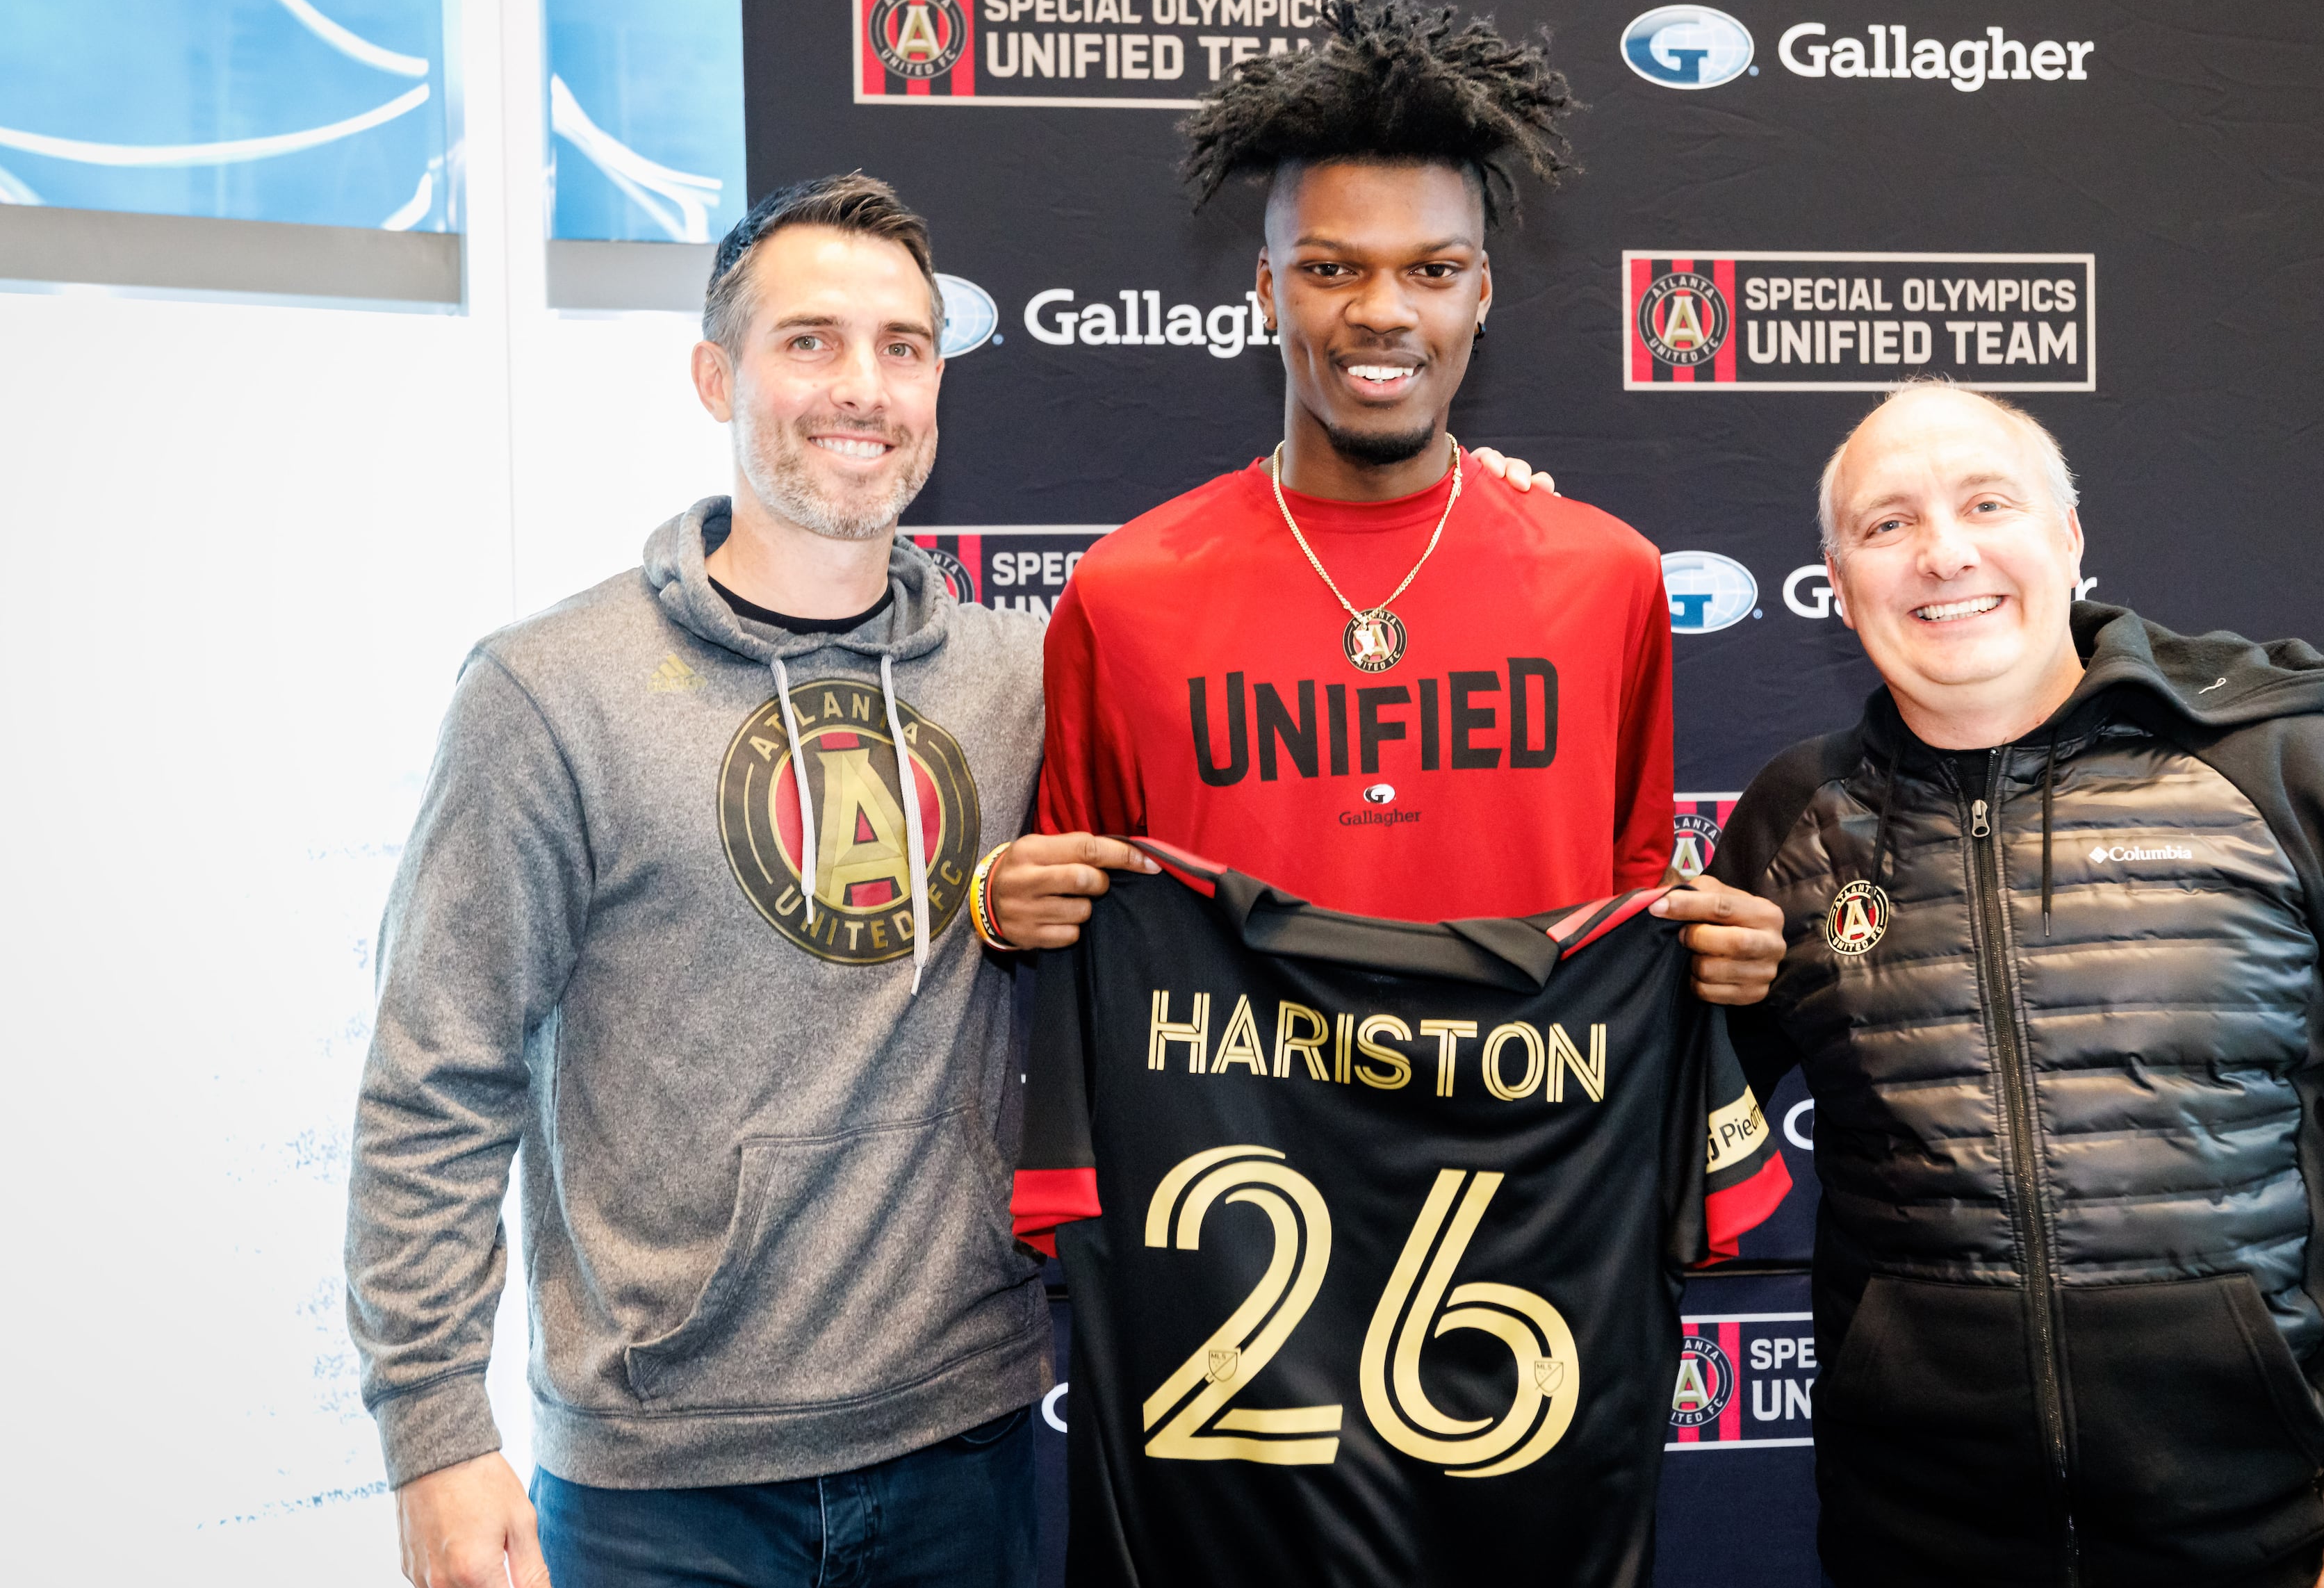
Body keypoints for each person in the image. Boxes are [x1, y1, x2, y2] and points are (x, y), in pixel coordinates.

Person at [343, 167, 1556, 1588]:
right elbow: (437, 1078)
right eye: (812, 342)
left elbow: (1292, 721)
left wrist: (1464, 526)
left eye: (903, 349)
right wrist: (433, 1435)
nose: (863, 387)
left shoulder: (1023, 676)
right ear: (714, 375)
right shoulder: (550, 693)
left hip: (962, 1449)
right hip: (658, 1488)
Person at [1710, 384, 2324, 1588]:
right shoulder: (1795, 824)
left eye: (1987, 502)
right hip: (1915, 1547)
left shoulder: (2286, 772)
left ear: (2068, 538)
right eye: (1886, 525)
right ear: (1838, 587)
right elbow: (1648, 1127)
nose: (1944, 550)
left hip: (2270, 1536)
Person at [986, 0, 1785, 1001]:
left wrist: (1716, 950)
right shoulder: (1123, 595)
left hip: (1538, 1153)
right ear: (1270, 290)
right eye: (1330, 269)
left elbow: (1636, 933)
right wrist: (997, 911)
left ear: (1482, 292)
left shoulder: (1607, 578)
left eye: (1433, 270)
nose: (1382, 311)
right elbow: (1072, 932)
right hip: (1239, 1161)